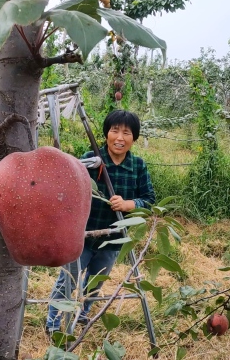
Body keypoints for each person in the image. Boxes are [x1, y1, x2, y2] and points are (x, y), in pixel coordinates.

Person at [45, 109, 156, 335]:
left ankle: (83, 314)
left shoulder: (138, 166)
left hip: (113, 238)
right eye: (115, 131)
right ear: (106, 134)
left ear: (134, 138)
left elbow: (149, 200)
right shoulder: (92, 159)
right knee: (68, 279)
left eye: (126, 133)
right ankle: (53, 323)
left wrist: (129, 204)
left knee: (95, 282)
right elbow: (70, 188)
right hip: (83, 235)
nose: (119, 138)